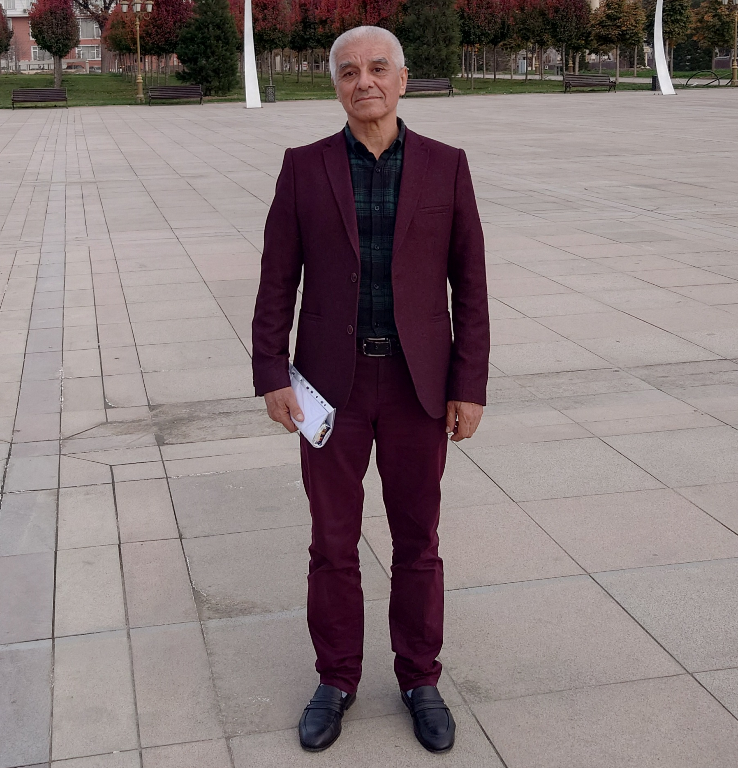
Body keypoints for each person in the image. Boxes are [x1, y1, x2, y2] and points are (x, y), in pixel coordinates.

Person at [251, 25, 489, 755]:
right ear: (336, 85)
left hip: (419, 387)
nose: (365, 81)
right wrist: (271, 373)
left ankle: (419, 679)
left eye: (378, 68)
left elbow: (470, 284)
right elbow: (276, 279)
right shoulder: (304, 167)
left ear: (402, 79)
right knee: (331, 543)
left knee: (418, 541)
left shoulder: (446, 166)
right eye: (350, 71)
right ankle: (337, 679)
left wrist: (469, 383)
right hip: (332, 389)